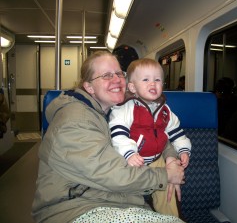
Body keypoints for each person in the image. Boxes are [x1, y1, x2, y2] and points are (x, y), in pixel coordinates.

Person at [32, 51, 185, 223]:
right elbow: (114, 173)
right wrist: (166, 176)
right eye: (106, 75)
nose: (117, 80)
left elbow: (154, 134)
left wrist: (171, 157)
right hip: (76, 209)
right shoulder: (75, 121)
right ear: (89, 87)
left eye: (119, 73)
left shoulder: (116, 110)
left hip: (113, 201)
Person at [109, 58, 191, 217]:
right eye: (146, 79)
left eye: (157, 80)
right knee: (128, 197)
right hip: (132, 160)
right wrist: (130, 153)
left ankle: (172, 218)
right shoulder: (126, 107)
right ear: (132, 87)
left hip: (157, 159)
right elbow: (118, 134)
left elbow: (176, 132)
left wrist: (183, 150)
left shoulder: (165, 109)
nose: (152, 84)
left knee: (168, 188)